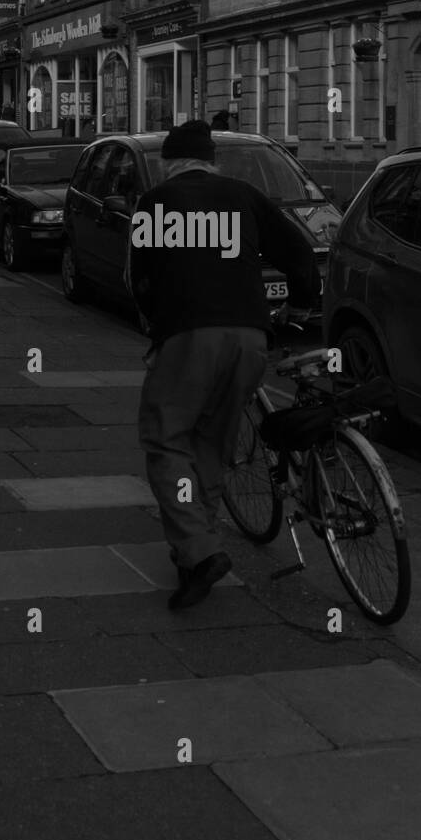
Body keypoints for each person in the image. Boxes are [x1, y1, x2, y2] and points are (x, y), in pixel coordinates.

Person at [127, 119, 321, 610]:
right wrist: (300, 306)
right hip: (250, 338)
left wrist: (156, 326)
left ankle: (200, 548)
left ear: (170, 162)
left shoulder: (154, 204)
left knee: (166, 438)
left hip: (190, 338)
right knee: (213, 440)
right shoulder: (245, 194)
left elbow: (140, 281)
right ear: (210, 160)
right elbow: (300, 253)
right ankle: (197, 551)